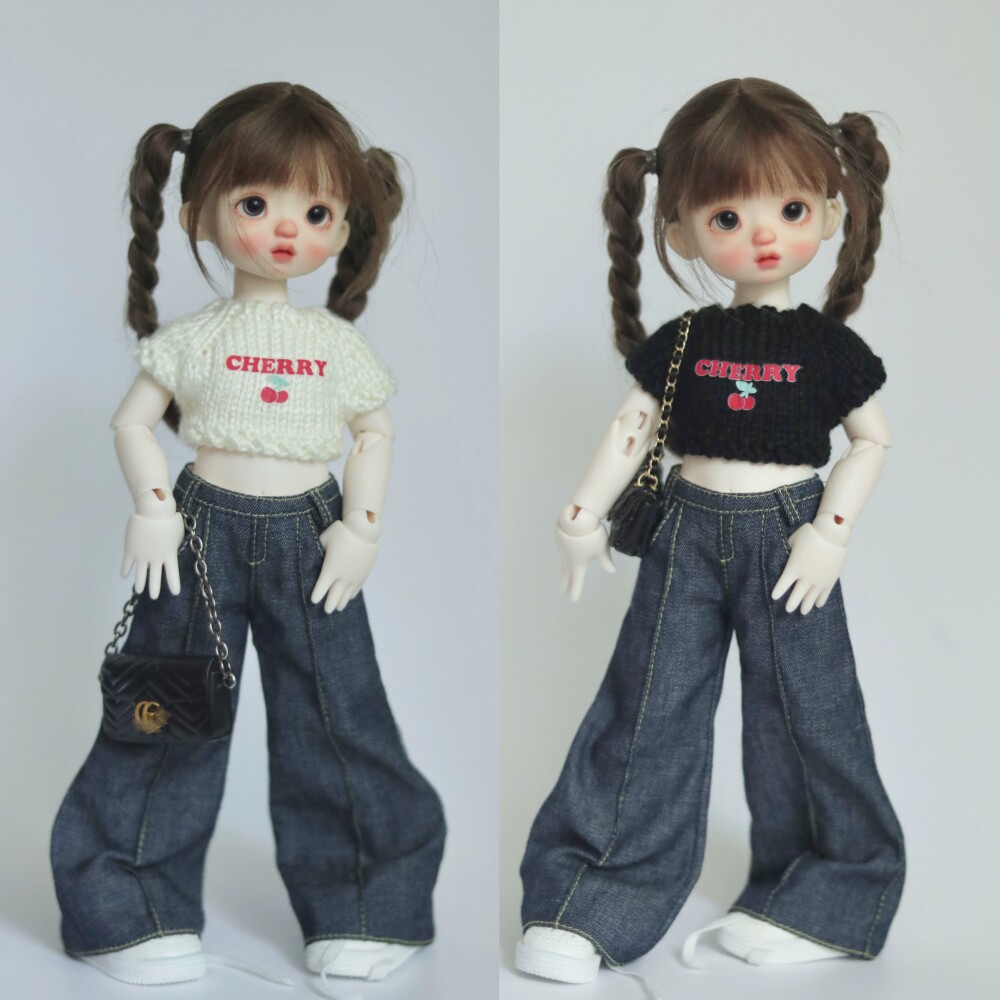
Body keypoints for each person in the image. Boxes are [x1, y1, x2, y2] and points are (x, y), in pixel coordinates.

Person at [50, 82, 446, 990]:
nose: (285, 230)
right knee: (166, 707)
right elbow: (131, 423)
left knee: (339, 715)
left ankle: (366, 900)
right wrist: (155, 508)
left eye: (316, 211)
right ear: (199, 211)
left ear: (343, 226)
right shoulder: (192, 339)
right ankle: (128, 902)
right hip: (199, 533)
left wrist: (361, 528)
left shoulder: (336, 345)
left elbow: (375, 435)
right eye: (256, 204)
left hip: (313, 533)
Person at [515, 78, 905, 986]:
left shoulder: (828, 349)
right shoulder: (684, 340)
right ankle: (587, 901)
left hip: (789, 535)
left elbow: (873, 441)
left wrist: (830, 533)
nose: (762, 234)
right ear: (682, 232)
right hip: (685, 534)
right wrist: (582, 512)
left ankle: (824, 898)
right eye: (727, 217)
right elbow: (633, 428)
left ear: (831, 213)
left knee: (810, 715)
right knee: (646, 708)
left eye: (791, 208)